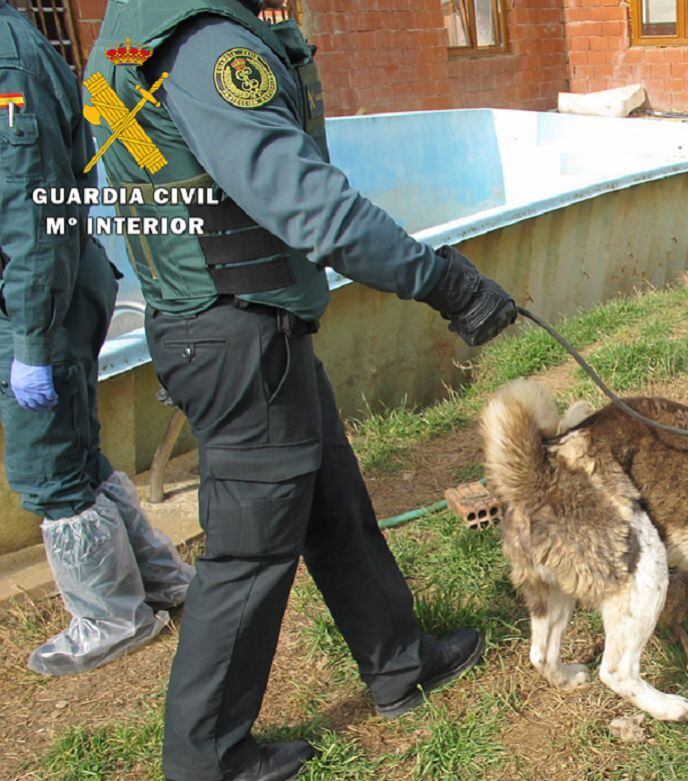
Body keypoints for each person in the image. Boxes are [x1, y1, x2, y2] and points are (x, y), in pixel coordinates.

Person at [85, 1, 517, 780]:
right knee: (250, 552)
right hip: (237, 336)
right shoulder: (208, 50)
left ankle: (399, 662)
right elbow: (309, 205)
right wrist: (442, 279)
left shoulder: (125, 37)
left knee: (333, 501)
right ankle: (205, 758)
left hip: (240, 327)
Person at [0, 0, 193, 676]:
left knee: (47, 466)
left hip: (39, 297)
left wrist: (28, 337)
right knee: (76, 453)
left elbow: (28, 214)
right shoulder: (28, 44)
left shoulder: (7, 61)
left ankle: (112, 617)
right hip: (62, 280)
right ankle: (160, 581)